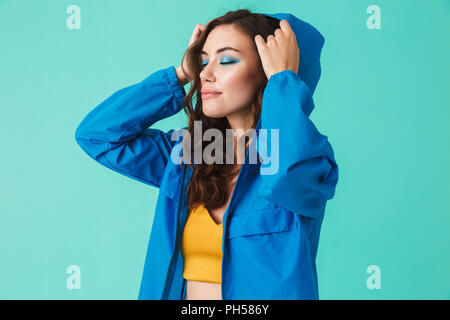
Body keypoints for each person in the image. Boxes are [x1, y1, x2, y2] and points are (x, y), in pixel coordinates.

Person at [75, 9, 339, 300]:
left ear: (269, 71)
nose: (205, 74)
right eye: (203, 61)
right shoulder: (187, 158)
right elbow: (99, 136)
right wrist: (179, 75)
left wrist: (284, 81)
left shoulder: (309, 160)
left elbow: (285, 174)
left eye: (225, 60)